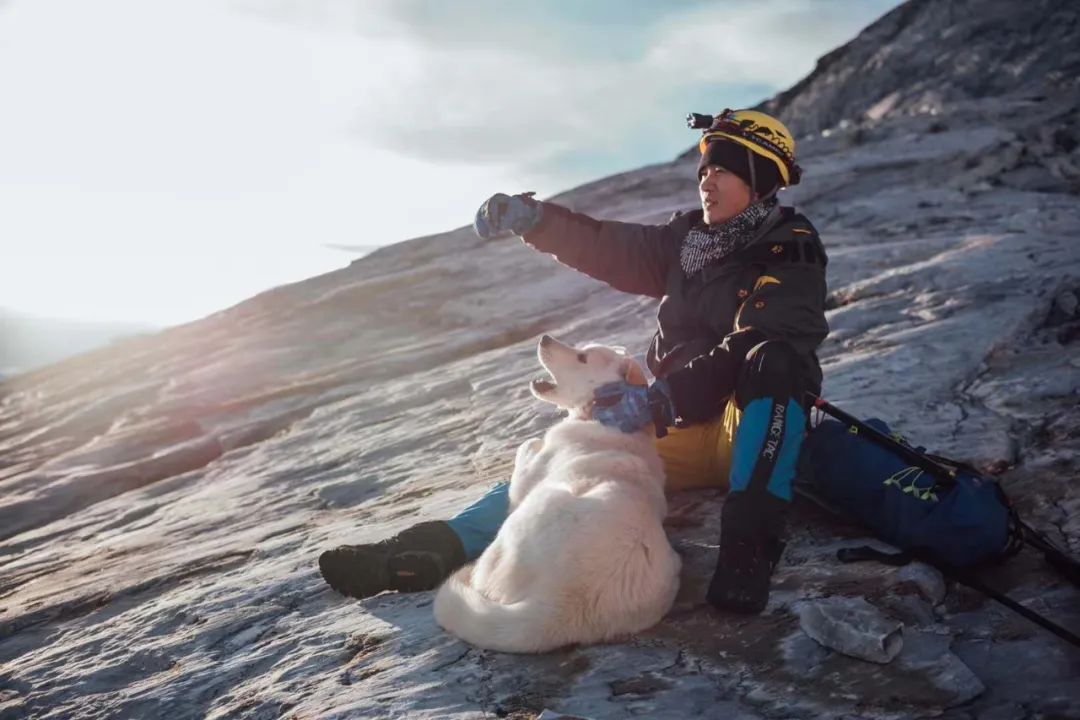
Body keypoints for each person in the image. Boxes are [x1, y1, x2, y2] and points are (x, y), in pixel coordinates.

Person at [319, 109, 829, 614]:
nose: (706, 180)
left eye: (723, 169)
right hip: (679, 423)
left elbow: (756, 341)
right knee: (570, 463)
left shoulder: (791, 250)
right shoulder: (686, 241)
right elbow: (612, 248)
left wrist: (659, 398)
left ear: (761, 181)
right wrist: (538, 221)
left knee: (773, 358)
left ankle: (747, 558)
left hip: (752, 427)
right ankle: (427, 548)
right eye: (704, 169)